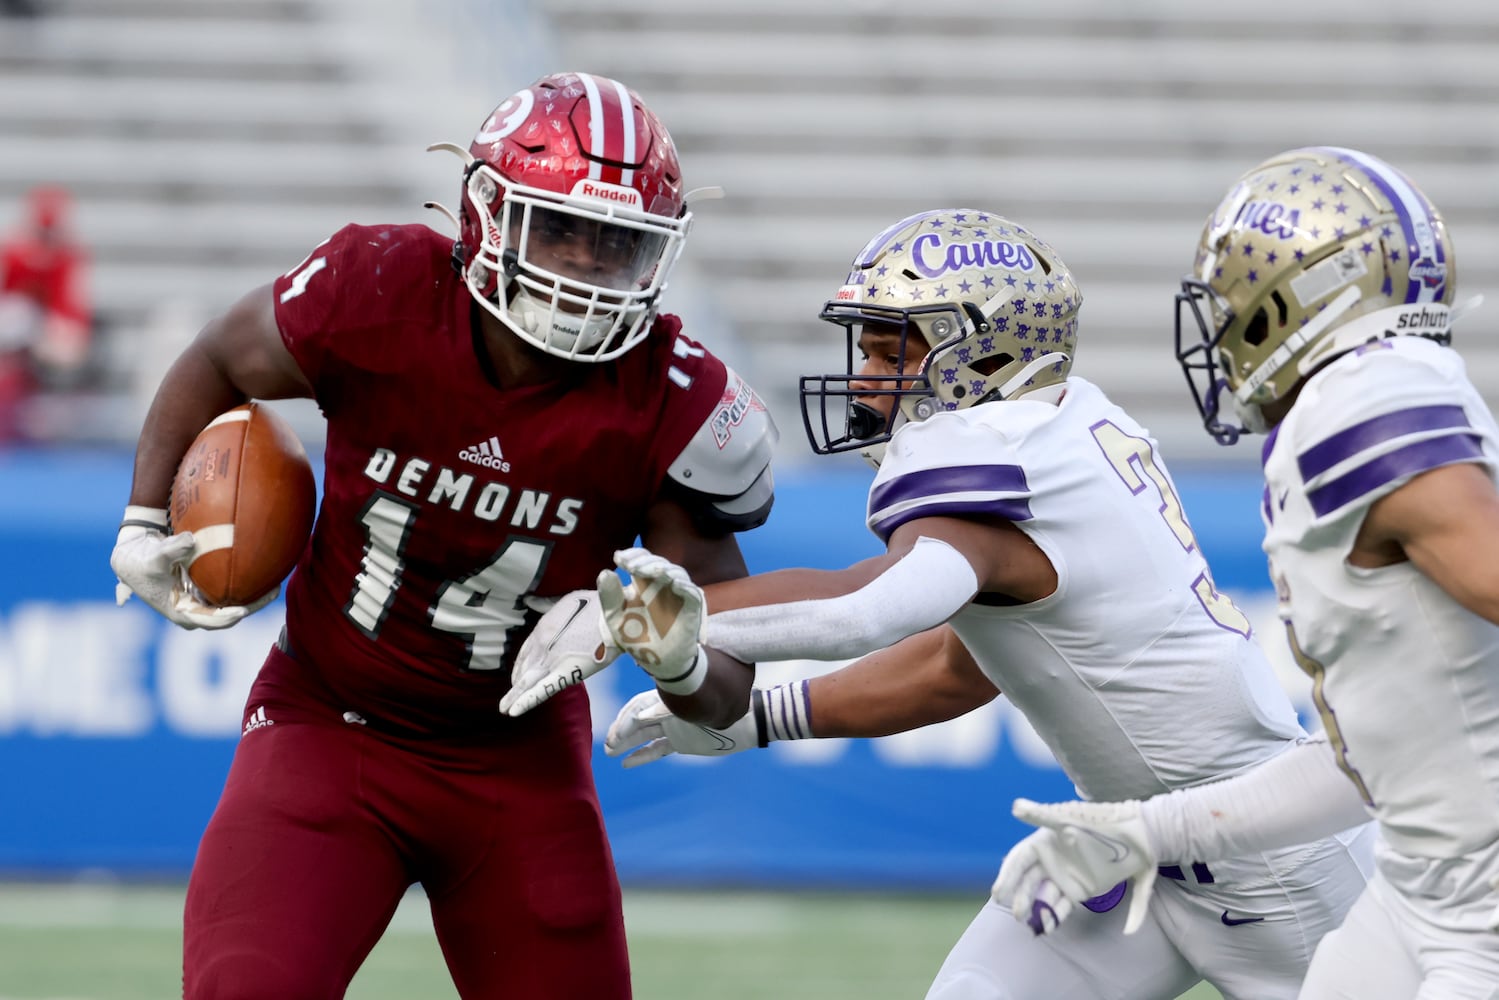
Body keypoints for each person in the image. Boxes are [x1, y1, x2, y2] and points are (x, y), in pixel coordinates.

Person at [508, 208, 1375, 1000]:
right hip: (1120, 840)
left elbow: (869, 608)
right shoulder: (1058, 427)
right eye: (870, 349)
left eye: (895, 352)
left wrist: (636, 618)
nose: (866, 377)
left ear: (990, 356)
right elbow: (957, 669)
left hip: (1271, 863)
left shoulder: (996, 452)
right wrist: (756, 718)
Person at [107, 71, 777, 1000]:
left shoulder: (672, 401)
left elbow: (726, 691)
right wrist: (144, 518)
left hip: (519, 767)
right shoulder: (378, 290)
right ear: (489, 214)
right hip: (326, 726)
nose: (583, 267)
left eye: (616, 244)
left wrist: (680, 658)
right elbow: (222, 354)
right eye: (561, 229)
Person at [992, 146, 1499, 998]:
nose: (1221, 337)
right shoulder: (1352, 411)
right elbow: (1362, 763)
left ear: (1293, 303)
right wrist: (1144, 832)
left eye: (1233, 308)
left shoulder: (1362, 398)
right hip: (1425, 884)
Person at [0, 185, 92, 440]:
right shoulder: (14, 254)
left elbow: (70, 307)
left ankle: (45, 422)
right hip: (19, 329)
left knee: (61, 349)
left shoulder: (68, 258)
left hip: (50, 330)